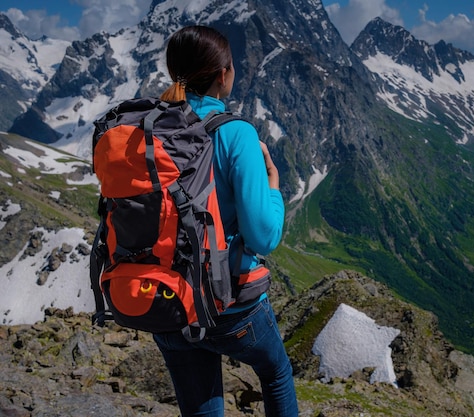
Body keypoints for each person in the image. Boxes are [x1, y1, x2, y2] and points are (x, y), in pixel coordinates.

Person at [153, 25, 299, 417]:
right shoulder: (236, 133)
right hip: (228, 305)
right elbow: (263, 236)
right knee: (276, 374)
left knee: (201, 404)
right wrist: (273, 187)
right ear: (224, 74)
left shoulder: (150, 129)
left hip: (165, 301)